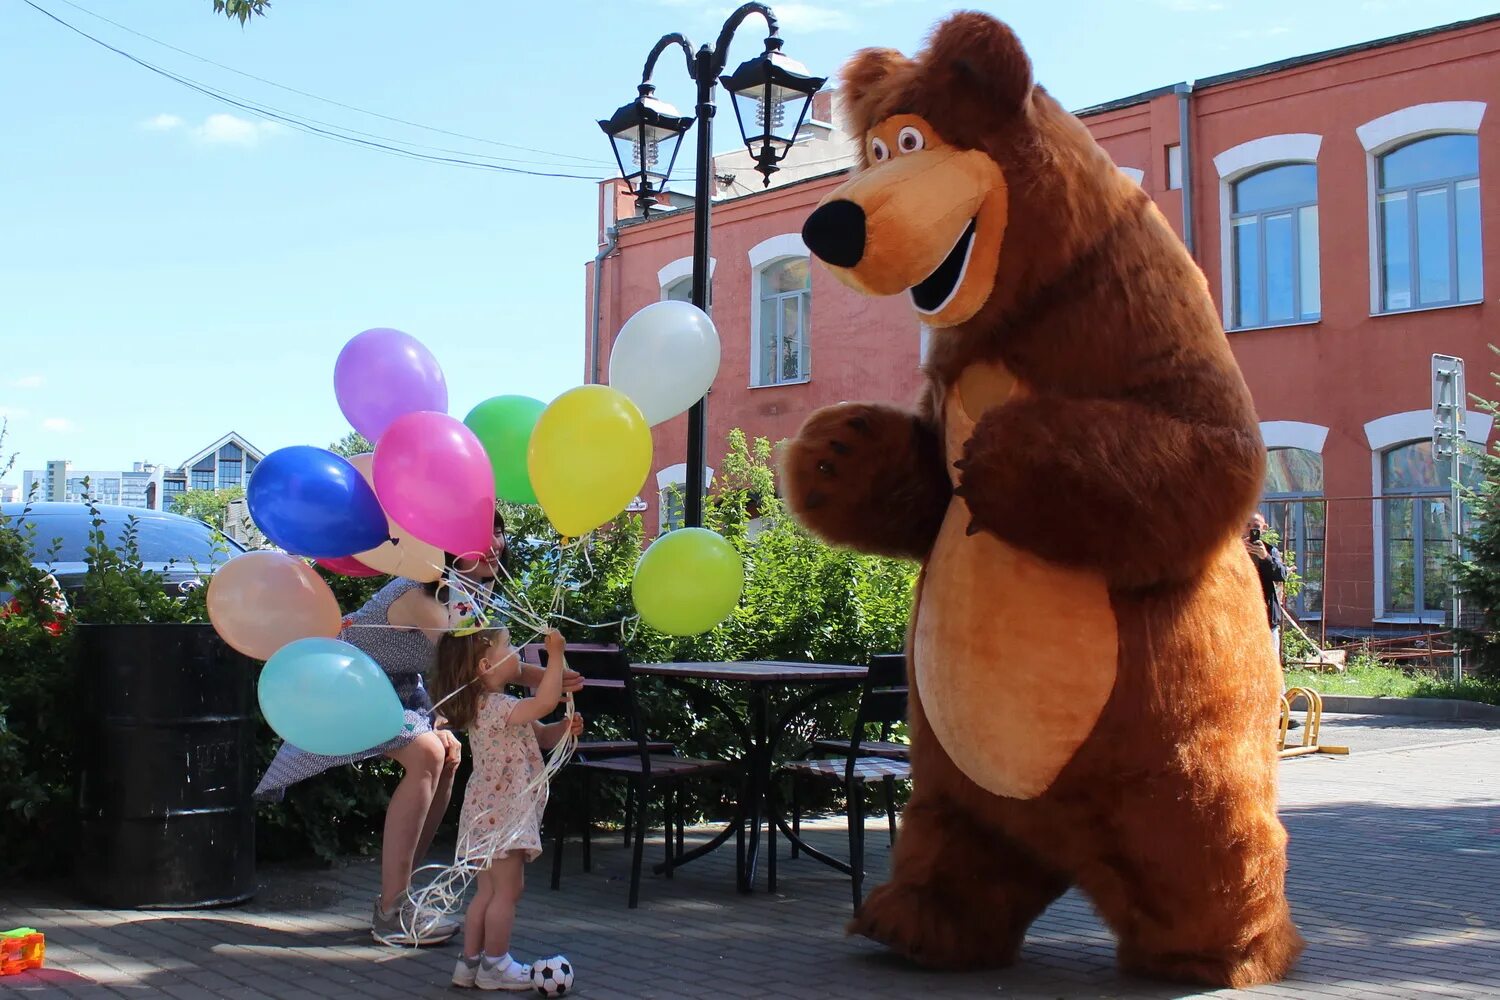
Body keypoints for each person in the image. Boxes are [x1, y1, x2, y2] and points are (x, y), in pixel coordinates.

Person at [253, 510, 582, 947]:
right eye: (480, 534)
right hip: (348, 683)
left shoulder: (467, 593)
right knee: (428, 752)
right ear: (446, 548)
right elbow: (473, 668)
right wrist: (548, 678)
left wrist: (553, 678)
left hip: (395, 689)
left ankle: (400, 898)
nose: (494, 543)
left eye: (498, 533)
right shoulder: (423, 595)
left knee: (448, 753)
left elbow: (488, 661)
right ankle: (391, 910)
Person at [433, 626, 582, 991]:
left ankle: (470, 964)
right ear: (487, 665)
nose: (516, 651)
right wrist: (556, 655)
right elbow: (544, 701)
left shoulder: (493, 706)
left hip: (488, 811)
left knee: (487, 893)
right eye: (508, 646)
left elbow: (541, 733)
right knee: (507, 892)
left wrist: (564, 728)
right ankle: (496, 963)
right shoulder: (496, 705)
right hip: (503, 813)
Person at [1246, 512, 1288, 660]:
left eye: (1256, 527)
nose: (1250, 530)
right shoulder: (1231, 551)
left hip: (1266, 619)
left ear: (1264, 529)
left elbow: (1282, 574)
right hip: (1241, 619)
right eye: (1247, 525)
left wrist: (1265, 558)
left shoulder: (1271, 551)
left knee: (1270, 663)